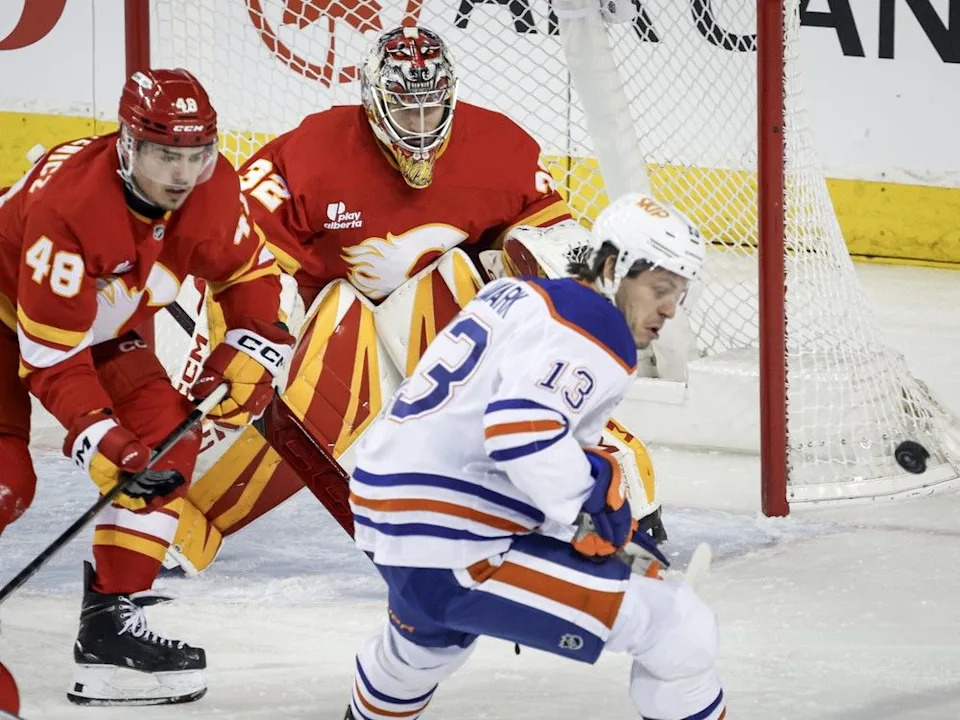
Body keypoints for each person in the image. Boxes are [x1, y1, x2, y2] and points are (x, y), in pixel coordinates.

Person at [164, 25, 666, 576]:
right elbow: (239, 259)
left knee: (466, 284)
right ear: (374, 102)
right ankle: (191, 521)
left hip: (437, 325)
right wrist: (251, 338)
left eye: (432, 111)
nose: (422, 128)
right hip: (323, 321)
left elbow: (546, 244)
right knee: (309, 359)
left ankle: (618, 495)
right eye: (407, 112)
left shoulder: (501, 146)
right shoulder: (309, 154)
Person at [341, 192, 724, 720]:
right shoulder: (598, 323)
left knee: (421, 653)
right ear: (612, 268)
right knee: (678, 628)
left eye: (679, 293)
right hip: (451, 536)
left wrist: (599, 523)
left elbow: (501, 435)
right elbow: (521, 430)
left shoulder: (517, 296)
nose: (669, 309)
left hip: (389, 510)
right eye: (660, 288)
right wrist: (590, 501)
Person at [0, 68, 293, 705]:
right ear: (129, 145)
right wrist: (101, 440)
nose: (184, 174)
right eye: (167, 154)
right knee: (6, 484)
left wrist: (249, 348)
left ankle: (107, 636)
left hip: (101, 332)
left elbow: (250, 276)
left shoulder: (216, 190)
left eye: (197, 154)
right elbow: (51, 362)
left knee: (164, 442)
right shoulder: (70, 207)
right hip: (9, 321)